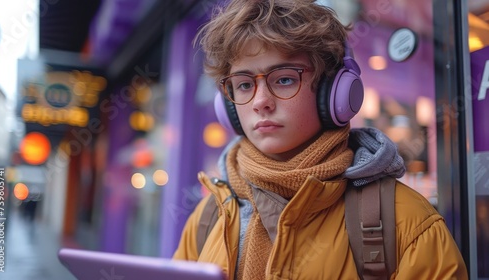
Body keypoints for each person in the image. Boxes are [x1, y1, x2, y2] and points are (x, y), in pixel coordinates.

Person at [173, 0, 468, 279]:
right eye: (245, 84)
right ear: (228, 106)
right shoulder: (208, 218)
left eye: (284, 78)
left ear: (335, 92)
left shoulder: (408, 223)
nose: (260, 102)